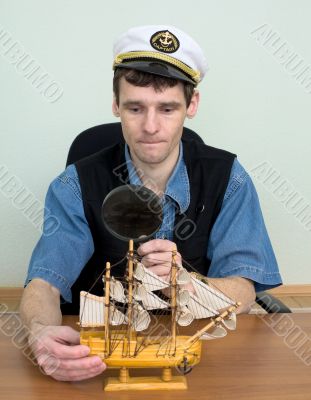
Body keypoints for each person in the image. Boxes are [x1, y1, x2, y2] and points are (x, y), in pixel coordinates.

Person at [20, 25, 282, 381]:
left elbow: (245, 288)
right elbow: (44, 284)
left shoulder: (228, 179)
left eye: (168, 108)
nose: (151, 126)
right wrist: (39, 333)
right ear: (115, 105)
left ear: (192, 105)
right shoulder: (75, 184)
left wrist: (189, 283)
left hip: (196, 358)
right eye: (135, 108)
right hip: (101, 359)